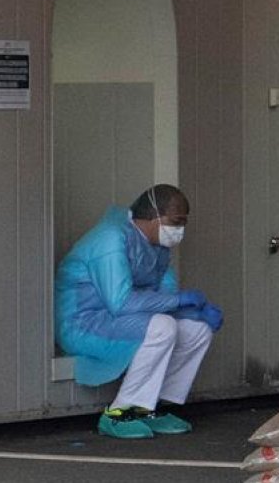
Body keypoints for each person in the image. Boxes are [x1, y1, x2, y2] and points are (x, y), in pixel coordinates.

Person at [54, 184, 224, 439]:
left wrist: (192, 311)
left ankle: (148, 408)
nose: (180, 231)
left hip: (120, 320)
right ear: (154, 216)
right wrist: (180, 302)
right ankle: (120, 414)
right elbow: (121, 302)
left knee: (197, 330)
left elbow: (165, 295)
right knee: (163, 327)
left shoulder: (156, 246)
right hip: (84, 324)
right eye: (176, 222)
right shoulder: (111, 239)